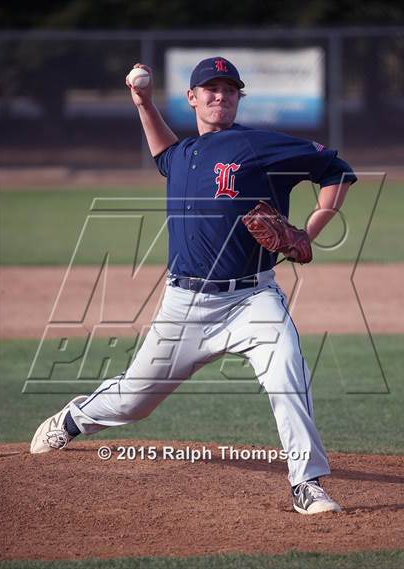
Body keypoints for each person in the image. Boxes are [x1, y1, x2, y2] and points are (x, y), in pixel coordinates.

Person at [31, 56, 357, 515]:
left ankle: (307, 484)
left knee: (288, 374)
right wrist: (142, 101)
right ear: (192, 98)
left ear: (239, 98)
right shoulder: (182, 155)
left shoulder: (261, 145)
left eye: (229, 89)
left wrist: (310, 230)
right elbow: (164, 154)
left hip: (252, 298)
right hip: (184, 304)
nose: (220, 95)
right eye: (210, 88)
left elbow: (336, 169)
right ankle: (76, 417)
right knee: (134, 403)